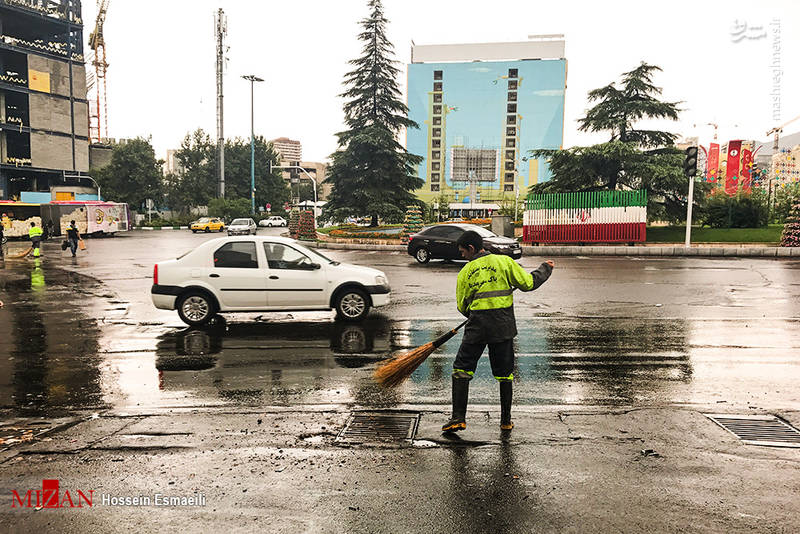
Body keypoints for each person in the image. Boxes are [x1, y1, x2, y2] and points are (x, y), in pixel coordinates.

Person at [443, 230, 554, 434]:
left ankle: (458, 417)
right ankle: (506, 421)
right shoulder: (504, 262)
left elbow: (462, 306)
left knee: (461, 369)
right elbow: (528, 283)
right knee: (504, 374)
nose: (462, 256)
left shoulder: (466, 272)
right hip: (502, 326)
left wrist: (476, 312)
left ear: (471, 248)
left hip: (477, 326)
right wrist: (545, 268)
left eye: (462, 252)